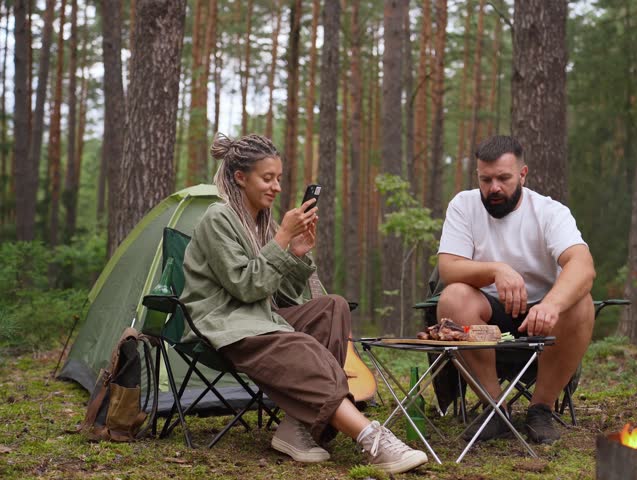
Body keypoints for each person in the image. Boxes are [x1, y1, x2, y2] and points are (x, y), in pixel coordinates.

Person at [179, 133, 427, 474]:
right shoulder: (217, 219)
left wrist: (295, 254)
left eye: (278, 178)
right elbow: (247, 286)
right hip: (227, 325)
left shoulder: (262, 222)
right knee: (300, 344)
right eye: (267, 178)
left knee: (332, 306)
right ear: (240, 177)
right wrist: (283, 239)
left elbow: (288, 295)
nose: (277, 187)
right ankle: (371, 437)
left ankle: (297, 428)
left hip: (259, 316)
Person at [436, 135, 596, 445]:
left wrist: (551, 305)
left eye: (503, 178)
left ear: (522, 174)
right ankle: (496, 409)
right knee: (453, 297)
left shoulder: (550, 212)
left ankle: (541, 409)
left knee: (581, 303)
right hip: (488, 326)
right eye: (486, 179)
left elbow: (583, 265)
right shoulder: (464, 206)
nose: (493, 187)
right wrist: (496, 270)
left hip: (544, 325)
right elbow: (449, 268)